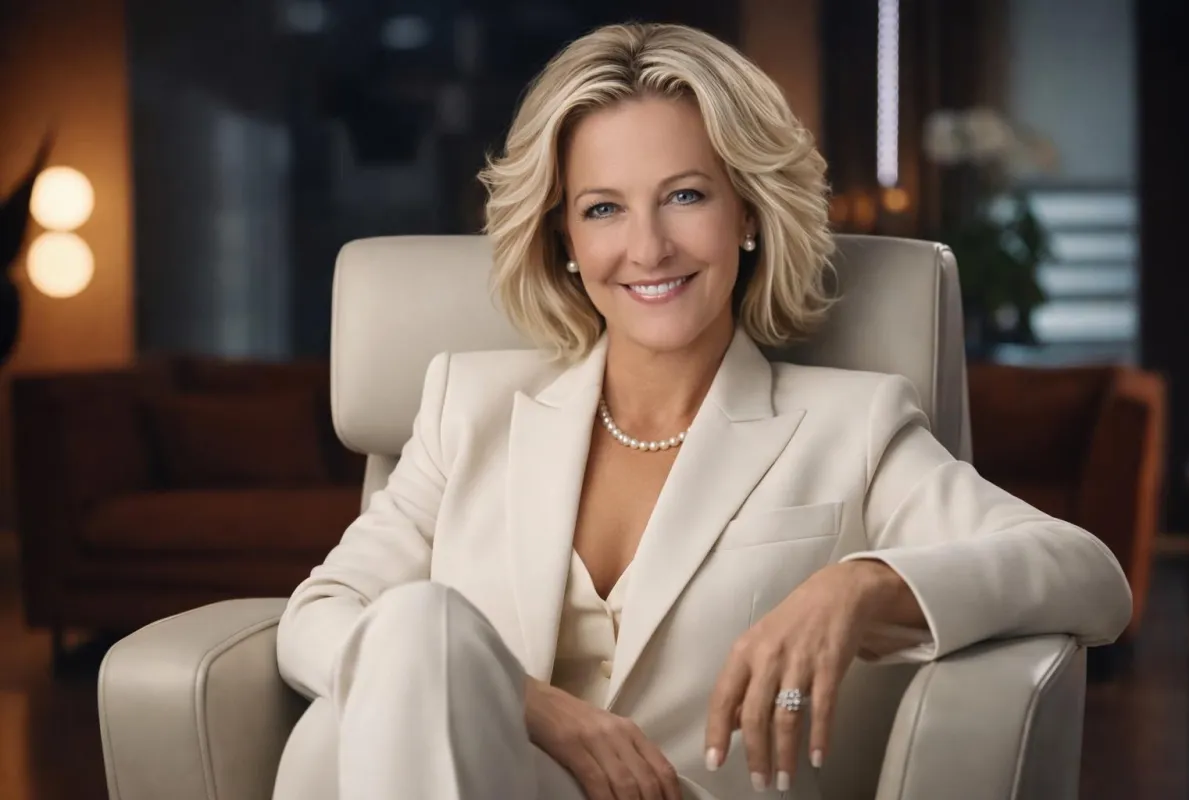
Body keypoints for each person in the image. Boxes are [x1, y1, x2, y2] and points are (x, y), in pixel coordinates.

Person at [275, 21, 1132, 800]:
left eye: (685, 196)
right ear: (565, 239)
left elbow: (1088, 574)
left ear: (747, 212)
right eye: (603, 209)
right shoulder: (467, 407)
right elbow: (317, 617)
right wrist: (532, 705)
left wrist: (860, 586)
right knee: (406, 637)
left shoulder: (854, 424)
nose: (648, 248)